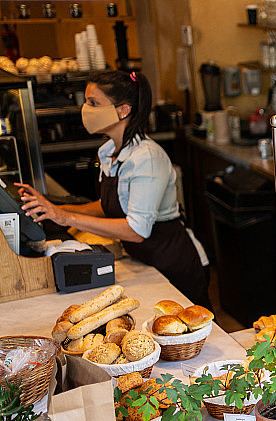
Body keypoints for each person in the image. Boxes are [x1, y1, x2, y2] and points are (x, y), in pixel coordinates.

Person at [17, 71, 211, 309]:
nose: (85, 109)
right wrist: (52, 209)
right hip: (143, 262)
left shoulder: (146, 158)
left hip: (173, 264)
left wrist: (66, 217)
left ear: (123, 110)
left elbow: (136, 230)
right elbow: (107, 205)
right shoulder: (109, 152)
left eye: (93, 103)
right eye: (85, 101)